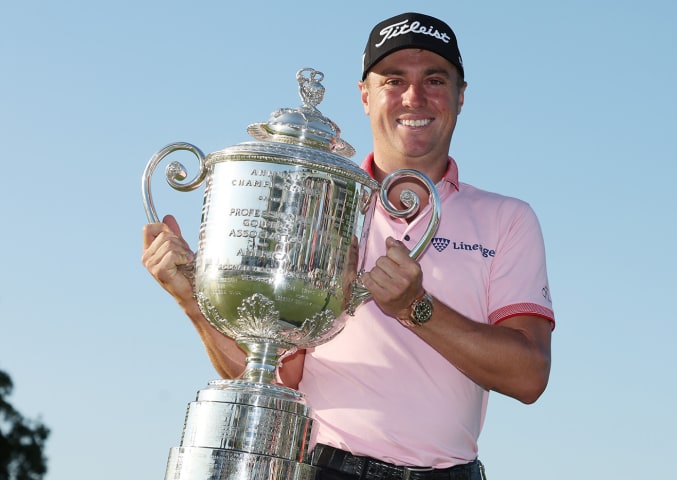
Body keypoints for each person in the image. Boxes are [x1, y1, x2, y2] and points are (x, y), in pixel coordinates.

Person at [142, 12, 554, 480]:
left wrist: (415, 307)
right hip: (322, 467)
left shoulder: (507, 219)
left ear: (460, 96)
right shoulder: (316, 202)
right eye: (393, 80)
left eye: (435, 80)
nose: (414, 97)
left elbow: (528, 376)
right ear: (366, 96)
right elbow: (268, 373)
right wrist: (193, 298)